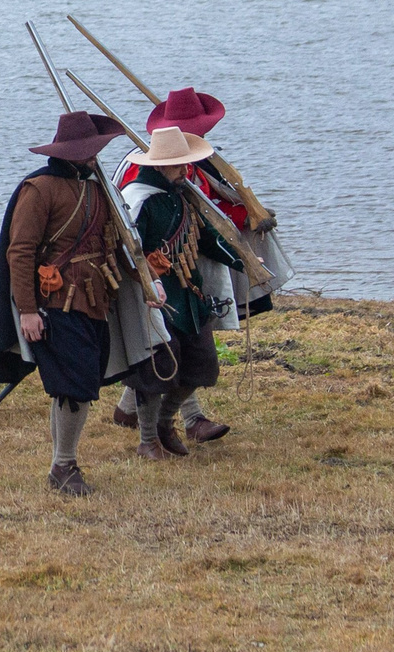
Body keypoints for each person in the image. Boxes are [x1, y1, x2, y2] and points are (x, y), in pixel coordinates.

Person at [112, 87, 293, 444]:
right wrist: (148, 276)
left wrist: (242, 249)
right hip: (159, 282)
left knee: (195, 354)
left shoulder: (191, 169)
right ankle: (171, 426)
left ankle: (142, 413)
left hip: (193, 272)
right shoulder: (140, 181)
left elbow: (210, 216)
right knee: (162, 355)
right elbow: (131, 238)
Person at [0, 110, 135, 496]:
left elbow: (113, 241)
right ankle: (63, 466)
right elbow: (21, 252)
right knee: (74, 385)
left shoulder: (98, 189)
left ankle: (63, 462)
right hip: (55, 302)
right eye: (89, 149)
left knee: (80, 381)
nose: (95, 155)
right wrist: (27, 310)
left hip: (95, 299)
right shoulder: (39, 189)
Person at [118, 124, 245, 460]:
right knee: (155, 373)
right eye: (177, 165)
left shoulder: (183, 195)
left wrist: (242, 261)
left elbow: (204, 239)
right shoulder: (138, 199)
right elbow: (130, 251)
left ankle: (164, 422)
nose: (185, 170)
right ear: (159, 166)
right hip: (154, 299)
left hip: (188, 297)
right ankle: (147, 440)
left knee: (202, 365)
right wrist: (146, 282)